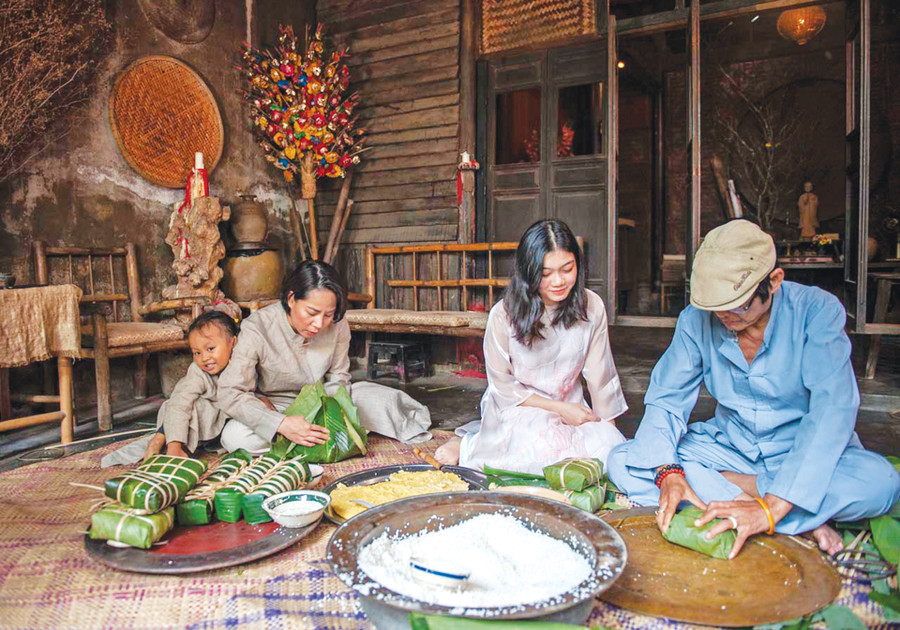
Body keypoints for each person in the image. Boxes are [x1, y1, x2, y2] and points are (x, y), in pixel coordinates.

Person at [607, 219, 900, 558]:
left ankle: (764, 507)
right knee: (625, 460)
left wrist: (772, 506)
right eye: (714, 307)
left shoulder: (816, 311)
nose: (724, 316)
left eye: (738, 304)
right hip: (732, 446)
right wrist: (668, 474)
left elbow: (831, 411)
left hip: (800, 450)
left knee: (880, 483)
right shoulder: (696, 319)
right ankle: (794, 516)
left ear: (773, 281)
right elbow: (666, 401)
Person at [435, 219, 627, 473]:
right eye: (545, 274)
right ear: (528, 273)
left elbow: (601, 377)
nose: (558, 281)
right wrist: (560, 409)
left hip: (570, 407)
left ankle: (482, 440)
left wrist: (608, 435)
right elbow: (502, 387)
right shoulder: (503, 315)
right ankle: (469, 443)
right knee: (540, 450)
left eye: (567, 269)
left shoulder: (592, 306)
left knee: (607, 451)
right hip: (519, 409)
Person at [216, 259, 431, 453]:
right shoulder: (257, 328)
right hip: (278, 407)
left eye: (328, 315)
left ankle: (307, 440)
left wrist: (332, 415)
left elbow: (339, 378)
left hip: (325, 399)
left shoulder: (338, 324)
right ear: (291, 299)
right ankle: (313, 439)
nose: (319, 324)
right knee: (235, 437)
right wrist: (281, 424)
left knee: (382, 402)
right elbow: (230, 392)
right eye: (311, 313)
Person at [144, 311, 238, 459]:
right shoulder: (198, 371)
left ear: (233, 343)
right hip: (200, 421)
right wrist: (174, 445)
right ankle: (167, 443)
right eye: (197, 353)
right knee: (185, 406)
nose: (204, 358)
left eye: (210, 349)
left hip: (222, 424)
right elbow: (180, 403)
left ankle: (164, 439)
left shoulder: (243, 364)